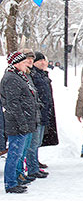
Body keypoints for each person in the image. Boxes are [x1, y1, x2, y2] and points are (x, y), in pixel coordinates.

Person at [2, 51, 40, 193]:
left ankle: (16, 179)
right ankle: (10, 183)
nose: (26, 65)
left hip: (24, 120)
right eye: (24, 62)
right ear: (16, 63)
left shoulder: (19, 76)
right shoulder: (11, 78)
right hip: (16, 123)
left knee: (18, 153)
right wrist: (22, 122)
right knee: (14, 154)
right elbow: (13, 103)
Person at [25, 52, 53, 180]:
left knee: (38, 142)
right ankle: (32, 168)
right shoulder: (33, 75)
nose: (43, 63)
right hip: (37, 113)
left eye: (44, 60)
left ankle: (34, 165)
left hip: (43, 112)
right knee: (33, 143)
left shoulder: (42, 74)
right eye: (39, 60)